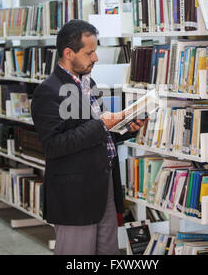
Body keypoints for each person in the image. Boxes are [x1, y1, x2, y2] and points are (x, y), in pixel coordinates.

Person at [31, 19, 147, 255]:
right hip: (75, 192)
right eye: (90, 52)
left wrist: (126, 129)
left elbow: (98, 135)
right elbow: (53, 146)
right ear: (68, 53)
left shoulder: (89, 83)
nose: (95, 58)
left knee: (108, 251)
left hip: (104, 185)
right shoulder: (48, 91)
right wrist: (102, 124)